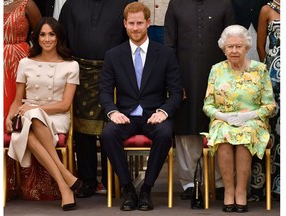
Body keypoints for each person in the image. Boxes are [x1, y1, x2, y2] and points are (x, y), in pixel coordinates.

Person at [99, 2, 182, 211]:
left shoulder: (165, 54)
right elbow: (105, 92)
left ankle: (146, 189)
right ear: (125, 24)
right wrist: (113, 112)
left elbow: (176, 93)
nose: (135, 28)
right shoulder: (113, 55)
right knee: (108, 134)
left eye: (139, 23)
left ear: (148, 23)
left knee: (165, 133)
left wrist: (163, 112)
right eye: (131, 23)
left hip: (154, 116)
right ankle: (128, 189)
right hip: (125, 116)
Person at [5, 17, 82, 211]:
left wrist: (33, 109)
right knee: (30, 123)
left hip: (56, 117)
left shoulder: (71, 65)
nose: (47, 39)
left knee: (32, 121)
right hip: (28, 115)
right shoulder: (25, 63)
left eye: (51, 34)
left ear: (58, 37)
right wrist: (8, 116)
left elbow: (65, 105)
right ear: (37, 37)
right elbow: (18, 99)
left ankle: (64, 183)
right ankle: (65, 181)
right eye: (42, 34)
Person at [164, 0, 235, 200]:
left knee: (219, 126)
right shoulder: (176, 4)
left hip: (219, 78)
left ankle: (220, 182)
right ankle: (188, 182)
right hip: (184, 76)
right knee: (186, 127)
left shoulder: (224, 3)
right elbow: (169, 45)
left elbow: (232, 41)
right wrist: (174, 83)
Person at [202, 24, 276, 213]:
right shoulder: (216, 70)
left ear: (247, 47)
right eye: (230, 46)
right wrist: (223, 116)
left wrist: (250, 115)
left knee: (245, 136)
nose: (234, 51)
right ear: (224, 48)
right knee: (224, 137)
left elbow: (269, 105)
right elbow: (208, 105)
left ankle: (241, 191)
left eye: (239, 46)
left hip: (252, 121)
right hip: (223, 119)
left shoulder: (260, 70)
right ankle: (229, 191)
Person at [59, 0, 129, 197]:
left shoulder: (125, 3)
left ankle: (113, 180)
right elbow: (62, 38)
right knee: (83, 131)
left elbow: (131, 38)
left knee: (112, 127)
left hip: (114, 72)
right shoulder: (71, 4)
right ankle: (88, 181)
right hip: (80, 73)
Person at [4, 0, 42, 200]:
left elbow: (41, 32)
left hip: (21, 62)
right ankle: (6, 183)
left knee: (21, 117)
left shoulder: (27, 4)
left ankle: (29, 182)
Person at [255, 0, 280, 201]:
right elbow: (260, 46)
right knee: (272, 130)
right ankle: (269, 186)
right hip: (275, 77)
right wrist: (269, 71)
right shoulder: (267, 10)